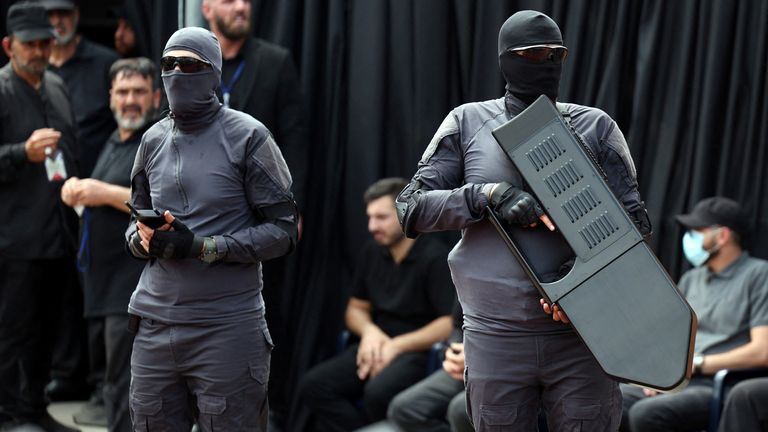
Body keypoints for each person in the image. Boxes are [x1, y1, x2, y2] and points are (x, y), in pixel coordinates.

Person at [395, 10, 652, 431]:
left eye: (557, 55)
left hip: (582, 333)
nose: (547, 64)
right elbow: (411, 207)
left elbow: (635, 225)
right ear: (506, 60)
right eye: (534, 54)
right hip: (496, 333)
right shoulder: (468, 121)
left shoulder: (594, 125)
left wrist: (578, 287)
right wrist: (486, 196)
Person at [125, 27, 298, 431]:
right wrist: (144, 240)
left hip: (226, 327)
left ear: (214, 73)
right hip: (154, 323)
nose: (177, 73)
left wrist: (202, 246)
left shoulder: (249, 136)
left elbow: (284, 232)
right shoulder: (152, 140)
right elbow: (133, 225)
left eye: (190, 64)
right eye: (169, 64)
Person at [200, 1, 309, 422]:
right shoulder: (192, 63)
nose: (242, 6)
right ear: (207, 8)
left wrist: (291, 206)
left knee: (265, 316)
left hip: (261, 219)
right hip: (205, 216)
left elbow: (295, 138)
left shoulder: (274, 61)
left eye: (245, 0)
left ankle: (267, 411)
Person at [299, 177, 455, 432]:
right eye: (370, 217)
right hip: (376, 344)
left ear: (405, 214)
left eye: (381, 217)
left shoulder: (434, 257)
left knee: (377, 393)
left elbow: (448, 323)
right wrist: (372, 334)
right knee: (315, 386)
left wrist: (396, 346)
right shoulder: (373, 251)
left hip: (416, 351)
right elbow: (355, 309)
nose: (372, 226)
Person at [60, 57, 160, 432]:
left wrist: (100, 192)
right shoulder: (113, 141)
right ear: (110, 98)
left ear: (155, 96)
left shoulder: (158, 142)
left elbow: (163, 206)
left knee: (129, 387)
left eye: (138, 91)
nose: (129, 100)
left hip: (133, 287)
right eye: (122, 92)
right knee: (112, 388)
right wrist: (79, 193)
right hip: (102, 288)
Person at [621, 197, 768, 432]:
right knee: (611, 400)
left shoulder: (759, 276)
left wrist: (696, 365)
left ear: (722, 236)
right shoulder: (692, 278)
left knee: (647, 414)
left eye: (697, 231)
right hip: (680, 381)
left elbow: (762, 351)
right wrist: (661, 375)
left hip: (720, 385)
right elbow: (670, 334)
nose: (689, 238)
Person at [0, 2, 79, 431]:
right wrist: (19, 153)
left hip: (57, 232)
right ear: (9, 46)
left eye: (46, 42)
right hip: (12, 239)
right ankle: (9, 414)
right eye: (31, 44)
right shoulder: (2, 89)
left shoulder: (56, 85)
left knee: (48, 330)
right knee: (12, 332)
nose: (40, 50)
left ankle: (32, 409)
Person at [42, 0, 119, 176]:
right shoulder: (32, 68)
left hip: (98, 181)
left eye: (63, 14)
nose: (56, 21)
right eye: (50, 15)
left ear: (76, 14)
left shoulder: (107, 63)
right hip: (44, 186)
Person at [386, 301, 473, 432]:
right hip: (463, 368)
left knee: (459, 410)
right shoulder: (468, 280)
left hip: (501, 370)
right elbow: (457, 324)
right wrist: (453, 353)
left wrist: (477, 359)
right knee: (404, 408)